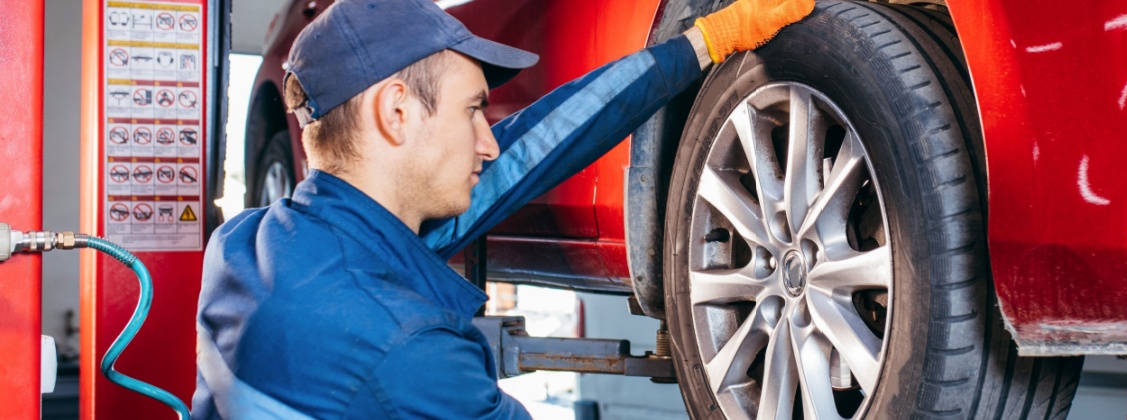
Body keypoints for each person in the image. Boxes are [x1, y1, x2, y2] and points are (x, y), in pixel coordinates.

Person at [192, 0, 813, 417]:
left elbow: (530, 151)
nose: (488, 141)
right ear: (396, 111)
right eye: (473, 110)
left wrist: (703, 44)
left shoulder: (245, 245)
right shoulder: (410, 352)